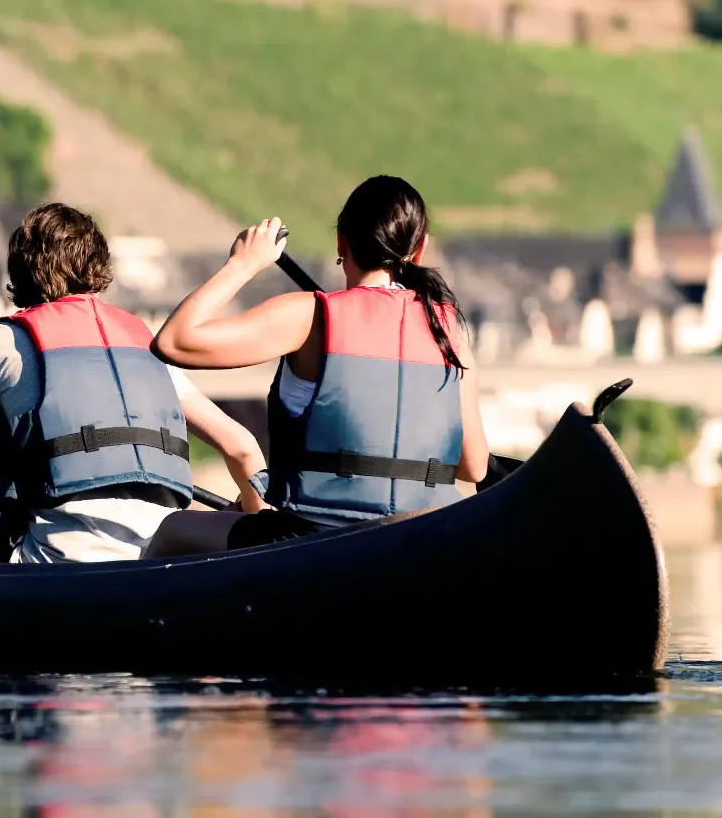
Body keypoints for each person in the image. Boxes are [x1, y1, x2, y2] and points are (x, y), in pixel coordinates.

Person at [0, 202, 266, 564]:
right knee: (228, 518)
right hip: (158, 554)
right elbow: (243, 448)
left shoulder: (3, 343)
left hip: (54, 559)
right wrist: (250, 512)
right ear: (99, 267)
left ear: (18, 272)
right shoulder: (146, 345)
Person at [145, 174, 489, 558]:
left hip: (312, 539)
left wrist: (244, 264)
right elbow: (472, 467)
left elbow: (173, 341)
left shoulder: (310, 316)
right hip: (427, 535)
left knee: (173, 530)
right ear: (420, 249)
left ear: (342, 242)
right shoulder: (450, 332)